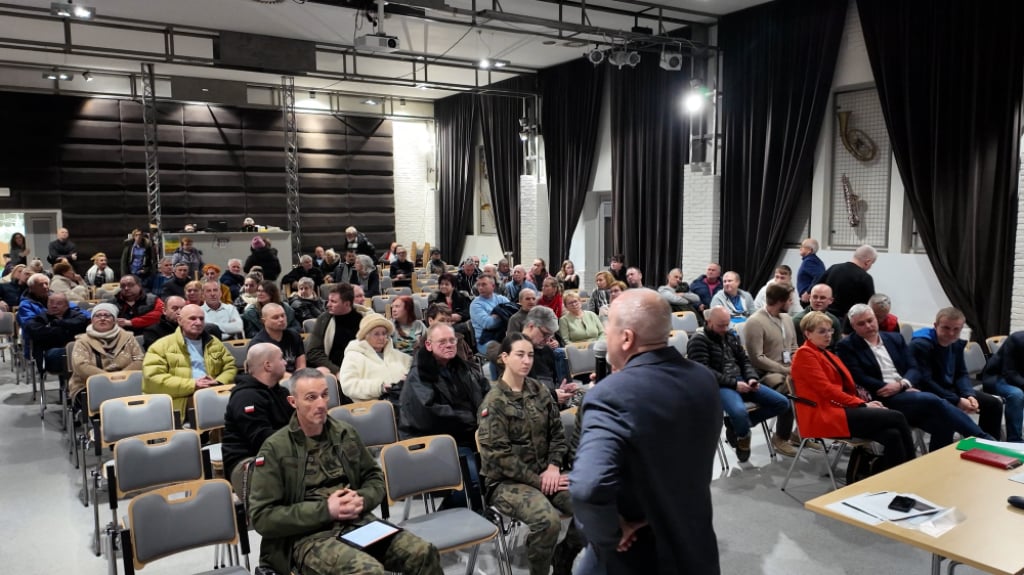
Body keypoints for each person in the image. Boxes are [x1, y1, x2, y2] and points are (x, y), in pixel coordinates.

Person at [572, 289, 722, 575]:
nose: (606, 336)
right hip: (695, 540)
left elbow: (588, 488)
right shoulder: (703, 379)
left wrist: (610, 533)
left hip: (639, 553)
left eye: (609, 329)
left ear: (626, 338)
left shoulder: (610, 396)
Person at [248, 369, 441, 575]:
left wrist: (361, 499)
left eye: (324, 395)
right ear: (293, 402)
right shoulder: (276, 449)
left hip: (357, 524)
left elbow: (374, 478)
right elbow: (262, 517)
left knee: (423, 552)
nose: (321, 404)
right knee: (369, 572)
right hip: (308, 536)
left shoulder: (344, 433)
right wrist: (326, 510)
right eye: (311, 398)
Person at [477, 332, 583, 575]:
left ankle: (564, 556)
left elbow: (557, 434)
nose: (526, 361)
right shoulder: (494, 403)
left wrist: (554, 467)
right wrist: (540, 480)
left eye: (530, 355)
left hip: (547, 474)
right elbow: (499, 457)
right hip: (506, 484)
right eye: (520, 355)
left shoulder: (540, 391)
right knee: (547, 521)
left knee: (590, 504)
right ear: (504, 357)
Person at [837, 304, 992, 450]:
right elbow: (859, 377)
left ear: (876, 319)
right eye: (861, 324)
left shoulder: (894, 338)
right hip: (882, 396)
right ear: (853, 327)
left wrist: (903, 384)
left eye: (870, 321)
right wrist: (898, 388)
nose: (868, 326)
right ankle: (983, 439)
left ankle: (939, 467)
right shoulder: (847, 346)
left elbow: (914, 368)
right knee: (933, 399)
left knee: (945, 424)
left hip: (905, 390)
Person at [791, 311, 915, 473]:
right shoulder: (805, 354)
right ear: (808, 334)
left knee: (892, 434)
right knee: (896, 417)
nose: (828, 335)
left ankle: (894, 478)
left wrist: (865, 402)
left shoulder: (826, 353)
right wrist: (863, 404)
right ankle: (913, 469)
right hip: (822, 414)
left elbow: (843, 388)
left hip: (839, 408)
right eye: (822, 331)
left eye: (830, 330)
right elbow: (827, 390)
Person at [687, 307, 793, 461]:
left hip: (742, 380)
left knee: (783, 403)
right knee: (739, 413)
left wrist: (751, 378)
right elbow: (705, 372)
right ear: (709, 322)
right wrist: (734, 385)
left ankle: (736, 425)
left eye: (727, 325)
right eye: (720, 325)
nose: (725, 329)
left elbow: (744, 360)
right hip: (719, 386)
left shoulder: (730, 335)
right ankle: (743, 435)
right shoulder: (698, 341)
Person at [910, 307, 1004, 440]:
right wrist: (957, 400)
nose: (951, 334)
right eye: (946, 328)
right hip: (928, 393)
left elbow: (961, 373)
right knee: (947, 419)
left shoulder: (956, 344)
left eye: (956, 329)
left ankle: (988, 450)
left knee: (993, 404)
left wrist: (968, 394)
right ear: (936, 326)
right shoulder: (920, 345)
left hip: (950, 390)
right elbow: (925, 382)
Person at [399, 323, 490, 447]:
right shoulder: (419, 374)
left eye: (452, 340)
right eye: (442, 342)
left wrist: (486, 414)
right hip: (433, 440)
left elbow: (486, 392)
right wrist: (474, 420)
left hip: (470, 431)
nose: (449, 345)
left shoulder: (463, 368)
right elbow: (431, 415)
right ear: (428, 345)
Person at [142, 304, 237, 416]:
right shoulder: (160, 346)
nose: (198, 322)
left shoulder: (214, 342)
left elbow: (230, 366)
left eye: (201, 319)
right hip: (182, 400)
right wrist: (193, 384)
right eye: (192, 318)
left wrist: (218, 381)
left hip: (214, 391)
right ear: (180, 320)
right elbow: (153, 378)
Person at [742, 283, 801, 455]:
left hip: (786, 369)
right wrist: (785, 370)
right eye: (789, 300)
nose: (792, 303)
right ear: (780, 301)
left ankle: (799, 433)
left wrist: (797, 366)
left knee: (811, 387)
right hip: (765, 373)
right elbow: (757, 358)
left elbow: (794, 347)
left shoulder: (788, 319)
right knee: (789, 391)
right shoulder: (755, 322)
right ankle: (781, 438)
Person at [222, 343, 291, 487]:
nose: (285, 362)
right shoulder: (245, 397)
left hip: (280, 456)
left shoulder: (282, 392)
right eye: (281, 358)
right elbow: (262, 439)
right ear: (268, 365)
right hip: (247, 462)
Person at [67, 302, 145, 410]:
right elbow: (81, 366)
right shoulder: (82, 341)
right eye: (98, 315)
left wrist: (122, 378)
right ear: (92, 320)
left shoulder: (128, 337)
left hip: (127, 382)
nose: (102, 318)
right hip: (90, 385)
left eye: (107, 315)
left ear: (114, 320)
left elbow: (139, 360)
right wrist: (109, 380)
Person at [339, 314, 412, 402]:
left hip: (405, 403)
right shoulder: (353, 357)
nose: (381, 337)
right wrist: (379, 387)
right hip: (371, 409)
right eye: (376, 334)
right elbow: (348, 385)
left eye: (384, 333)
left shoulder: (401, 357)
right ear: (366, 336)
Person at [306, 283, 365, 376]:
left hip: (360, 369)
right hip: (332, 370)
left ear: (347, 304)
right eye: (328, 300)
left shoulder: (364, 319)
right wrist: (336, 371)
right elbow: (313, 352)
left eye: (333, 301)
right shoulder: (323, 319)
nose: (328, 305)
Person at [24, 292, 89, 375]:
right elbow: (36, 332)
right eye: (51, 302)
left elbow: (81, 323)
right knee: (64, 354)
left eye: (59, 303)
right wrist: (64, 330)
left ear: (67, 305)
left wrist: (56, 324)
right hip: (51, 354)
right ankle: (68, 383)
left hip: (77, 351)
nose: (54, 306)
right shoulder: (40, 318)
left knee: (77, 352)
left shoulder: (77, 316)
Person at [981, 331, 1024, 442]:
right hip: (997, 377)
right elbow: (1009, 372)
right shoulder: (1017, 339)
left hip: (1018, 378)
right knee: (1016, 394)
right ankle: (1015, 440)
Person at [819, 244, 877, 320]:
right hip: (848, 323)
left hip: (825, 317)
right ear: (867, 262)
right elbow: (870, 305)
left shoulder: (833, 268)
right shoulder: (865, 278)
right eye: (871, 264)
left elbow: (817, 288)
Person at [249, 303, 306, 378]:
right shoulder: (258, 344)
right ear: (264, 321)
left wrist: (299, 379)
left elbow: (301, 365)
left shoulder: (294, 335)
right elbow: (267, 373)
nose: (281, 319)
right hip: (273, 382)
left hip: (296, 379)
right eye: (275, 317)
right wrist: (294, 379)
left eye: (283, 315)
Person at [469, 274, 511, 353]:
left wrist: (497, 315)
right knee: (508, 353)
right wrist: (503, 315)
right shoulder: (475, 304)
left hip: (503, 337)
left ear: (493, 286)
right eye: (478, 285)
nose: (480, 288)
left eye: (484, 284)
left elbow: (512, 314)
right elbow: (488, 324)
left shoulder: (501, 299)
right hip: (486, 342)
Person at [796, 238, 825, 304]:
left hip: (809, 299)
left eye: (802, 246)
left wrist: (808, 292)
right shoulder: (812, 260)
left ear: (809, 250)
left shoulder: (810, 261)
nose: (800, 248)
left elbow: (819, 276)